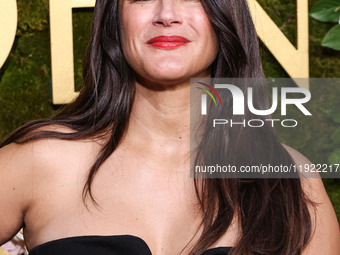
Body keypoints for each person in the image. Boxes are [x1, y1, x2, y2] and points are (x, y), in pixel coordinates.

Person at [0, 0, 339, 254]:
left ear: (226, 13)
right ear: (114, 18)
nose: (166, 14)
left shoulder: (291, 180)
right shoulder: (38, 161)